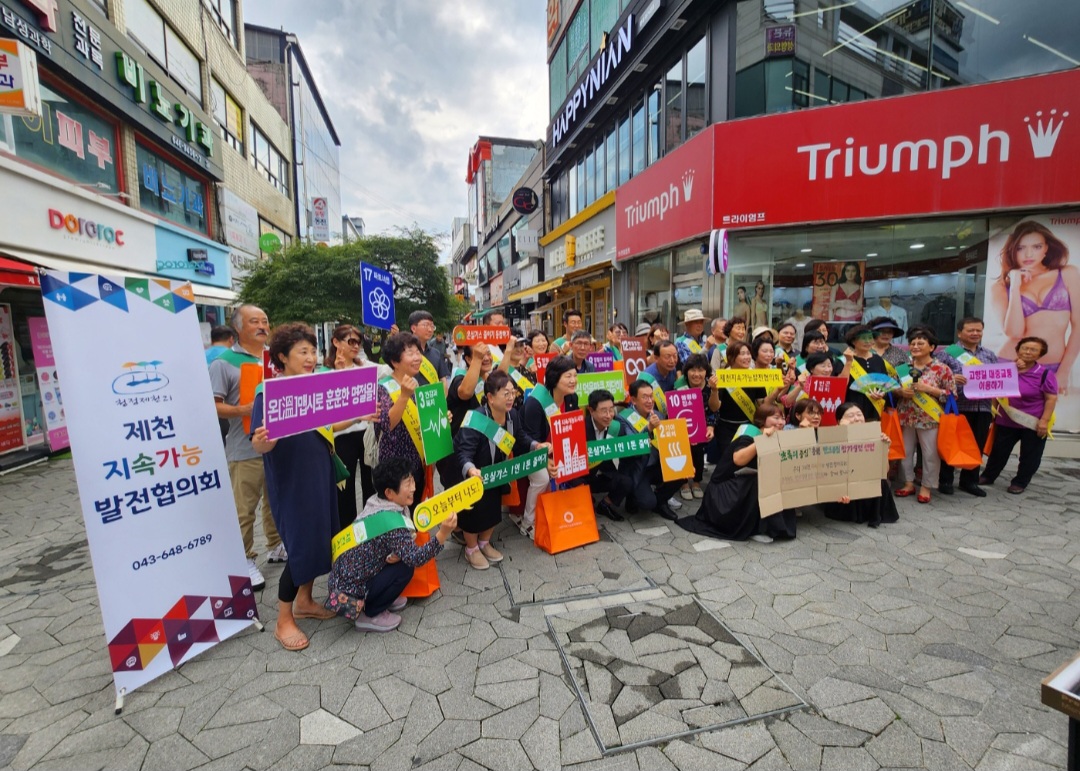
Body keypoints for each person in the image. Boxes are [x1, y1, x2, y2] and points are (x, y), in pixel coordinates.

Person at [250, 323, 339, 651]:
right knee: (301, 545)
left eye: (313, 351)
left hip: (319, 473)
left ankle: (305, 600)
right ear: (282, 357)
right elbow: (261, 446)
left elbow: (329, 424)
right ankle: (283, 619)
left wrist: (361, 416)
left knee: (319, 538)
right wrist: (265, 440)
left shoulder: (314, 388)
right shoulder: (268, 393)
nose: (311, 357)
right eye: (302, 352)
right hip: (292, 482)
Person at [325, 457, 457, 632]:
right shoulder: (392, 525)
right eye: (407, 483)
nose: (414, 487)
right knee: (406, 568)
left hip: (343, 581)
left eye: (412, 480)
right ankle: (370, 614)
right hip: (350, 595)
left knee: (400, 559)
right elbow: (416, 558)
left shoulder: (376, 502)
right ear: (389, 492)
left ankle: (383, 596)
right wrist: (443, 534)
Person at [209, 305, 284, 591]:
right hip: (244, 449)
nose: (263, 326)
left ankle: (275, 545)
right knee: (245, 508)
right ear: (239, 328)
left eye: (265, 321)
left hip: (276, 445)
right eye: (255, 322)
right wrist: (244, 408)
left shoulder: (274, 360)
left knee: (273, 501)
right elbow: (213, 405)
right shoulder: (223, 362)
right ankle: (243, 558)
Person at [457, 370, 545, 569]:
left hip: (497, 473)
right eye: (505, 394)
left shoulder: (513, 414)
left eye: (513, 393)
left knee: (493, 511)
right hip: (474, 475)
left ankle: (484, 543)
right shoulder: (475, 419)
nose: (511, 398)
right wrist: (471, 470)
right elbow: (463, 453)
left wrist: (535, 445)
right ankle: (471, 549)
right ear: (490, 397)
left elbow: (520, 438)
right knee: (473, 513)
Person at [676, 404, 789, 543]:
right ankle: (753, 528)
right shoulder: (748, 434)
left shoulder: (777, 436)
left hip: (740, 486)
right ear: (762, 419)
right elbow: (738, 459)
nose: (780, 422)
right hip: (723, 494)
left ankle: (765, 525)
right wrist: (762, 440)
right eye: (776, 418)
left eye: (783, 418)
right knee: (755, 481)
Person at [990, 221, 1080, 393]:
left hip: (1054, 367)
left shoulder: (1068, 273)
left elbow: (1078, 325)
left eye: (1037, 246)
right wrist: (1015, 286)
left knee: (1049, 419)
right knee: (1005, 420)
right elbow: (1014, 333)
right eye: (1021, 248)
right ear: (1012, 250)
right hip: (1010, 364)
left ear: (1047, 247)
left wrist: (1065, 370)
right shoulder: (1001, 288)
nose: (1028, 254)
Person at [980, 337, 1059, 495]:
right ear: (1017, 350)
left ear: (1040, 354)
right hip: (1006, 420)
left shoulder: (1044, 374)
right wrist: (993, 413)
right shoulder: (1006, 369)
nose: (1028, 352)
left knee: (1030, 455)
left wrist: (1044, 421)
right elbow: (996, 391)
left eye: (1033, 350)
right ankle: (988, 475)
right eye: (1025, 348)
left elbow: (1051, 398)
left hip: (1033, 422)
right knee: (998, 451)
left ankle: (1020, 482)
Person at [933, 317, 997, 497]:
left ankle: (970, 481)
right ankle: (945, 480)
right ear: (960, 333)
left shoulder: (989, 355)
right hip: (956, 406)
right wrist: (952, 377)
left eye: (978, 330)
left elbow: (996, 380)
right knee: (950, 443)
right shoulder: (947, 353)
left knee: (976, 446)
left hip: (982, 408)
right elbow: (934, 378)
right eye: (971, 330)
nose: (975, 334)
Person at [519, 356, 579, 538]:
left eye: (575, 376)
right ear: (554, 378)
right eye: (568, 376)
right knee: (543, 478)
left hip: (557, 447)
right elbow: (530, 439)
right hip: (530, 450)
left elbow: (569, 428)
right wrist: (546, 461)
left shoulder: (571, 398)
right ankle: (528, 522)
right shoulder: (535, 403)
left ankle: (555, 511)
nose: (573, 381)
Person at [325, 324, 376, 527]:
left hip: (365, 434)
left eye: (358, 342)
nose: (356, 346)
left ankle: (371, 528)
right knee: (344, 490)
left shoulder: (364, 368)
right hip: (340, 437)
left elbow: (390, 370)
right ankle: (347, 533)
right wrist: (339, 373)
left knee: (370, 485)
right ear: (336, 342)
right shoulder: (324, 372)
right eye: (351, 341)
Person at [894, 328, 954, 503]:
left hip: (930, 418)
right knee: (905, 452)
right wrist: (900, 392)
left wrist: (929, 389)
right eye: (912, 343)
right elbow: (893, 389)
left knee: (930, 454)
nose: (915, 346)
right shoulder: (904, 368)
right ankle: (908, 483)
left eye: (921, 343)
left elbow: (951, 395)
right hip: (906, 416)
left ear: (932, 347)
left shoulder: (942, 369)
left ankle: (927, 486)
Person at [823, 402, 899, 528]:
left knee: (880, 482)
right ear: (839, 421)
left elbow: (884, 472)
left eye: (859, 415)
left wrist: (883, 449)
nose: (856, 419)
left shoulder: (875, 437)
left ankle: (874, 511)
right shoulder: (831, 438)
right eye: (850, 416)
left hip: (866, 484)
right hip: (841, 486)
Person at [619, 379, 686, 520]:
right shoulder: (623, 418)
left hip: (655, 465)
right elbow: (633, 445)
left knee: (683, 472)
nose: (650, 400)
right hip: (636, 468)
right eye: (645, 397)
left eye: (651, 396)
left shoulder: (658, 415)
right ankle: (633, 495)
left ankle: (661, 501)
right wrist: (648, 428)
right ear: (633, 400)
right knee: (646, 503)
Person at [375, 332, 427, 496]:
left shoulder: (415, 384)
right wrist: (404, 395)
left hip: (416, 463)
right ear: (395, 361)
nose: (417, 358)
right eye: (410, 353)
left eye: (418, 352)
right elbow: (386, 423)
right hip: (395, 467)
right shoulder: (382, 387)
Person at [585, 389, 635, 521]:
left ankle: (605, 505)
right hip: (582, 477)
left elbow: (628, 448)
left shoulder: (617, 428)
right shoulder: (580, 428)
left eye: (611, 410)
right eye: (603, 411)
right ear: (591, 410)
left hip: (604, 473)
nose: (608, 415)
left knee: (626, 482)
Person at [679, 353, 720, 500]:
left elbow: (714, 410)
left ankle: (696, 482)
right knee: (683, 450)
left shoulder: (711, 385)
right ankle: (683, 482)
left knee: (698, 451)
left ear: (706, 372)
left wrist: (710, 427)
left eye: (701, 370)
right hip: (683, 426)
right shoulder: (680, 385)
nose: (696, 374)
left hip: (703, 426)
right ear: (687, 371)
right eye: (693, 370)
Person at [844, 324, 890, 422]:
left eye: (870, 338)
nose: (868, 341)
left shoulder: (878, 360)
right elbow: (840, 384)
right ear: (853, 341)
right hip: (852, 408)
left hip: (875, 408)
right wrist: (848, 362)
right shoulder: (845, 359)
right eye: (864, 338)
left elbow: (886, 383)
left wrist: (882, 393)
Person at [409, 310, 451, 387]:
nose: (430, 330)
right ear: (413, 328)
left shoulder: (436, 354)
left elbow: (443, 380)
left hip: (434, 398)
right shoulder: (404, 353)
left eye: (432, 326)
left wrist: (443, 397)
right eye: (426, 325)